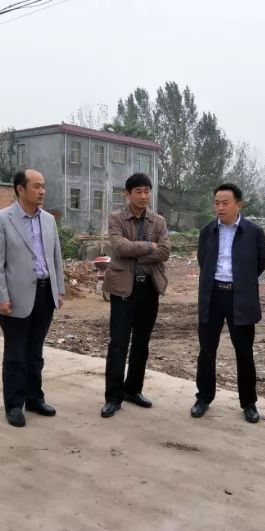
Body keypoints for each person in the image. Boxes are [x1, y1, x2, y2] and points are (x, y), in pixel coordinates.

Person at [0, 168, 65, 428]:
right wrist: (1, 297)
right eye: (36, 186)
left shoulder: (49, 220)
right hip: (16, 296)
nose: (42, 191)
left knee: (35, 353)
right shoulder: (0, 220)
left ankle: (34, 398)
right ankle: (13, 405)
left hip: (45, 293)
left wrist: (59, 289)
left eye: (43, 186)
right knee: (16, 354)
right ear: (20, 189)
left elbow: (56, 257)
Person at [190, 183, 265, 423]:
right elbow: (203, 260)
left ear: (238, 205)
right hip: (212, 296)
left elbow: (260, 262)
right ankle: (204, 397)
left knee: (244, 352)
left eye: (225, 203)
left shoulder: (253, 232)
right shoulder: (207, 231)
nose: (220, 207)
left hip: (240, 297)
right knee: (207, 350)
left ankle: (249, 403)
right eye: (217, 203)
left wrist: (241, 281)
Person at [100, 173, 171, 418]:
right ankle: (113, 397)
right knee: (118, 344)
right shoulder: (116, 218)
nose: (143, 196)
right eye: (138, 191)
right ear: (127, 194)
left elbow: (165, 251)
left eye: (147, 191)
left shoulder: (158, 221)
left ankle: (133, 389)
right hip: (123, 290)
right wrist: (150, 246)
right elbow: (120, 247)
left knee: (141, 343)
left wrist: (136, 252)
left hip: (149, 289)